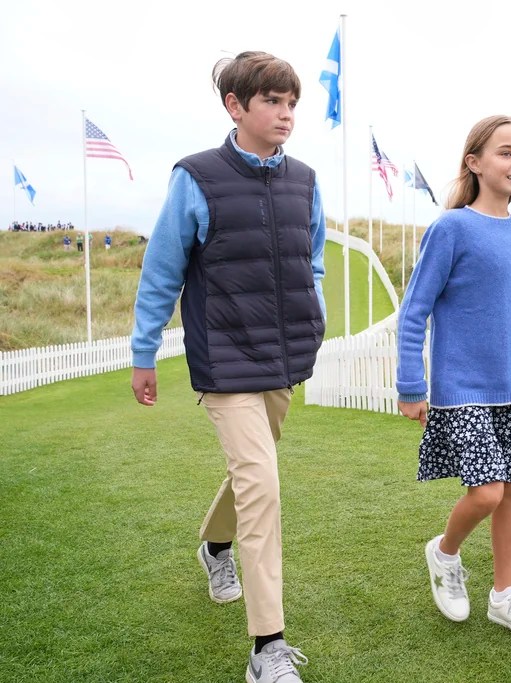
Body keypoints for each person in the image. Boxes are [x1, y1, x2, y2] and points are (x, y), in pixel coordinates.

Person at [130, 51, 326, 682]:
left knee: (253, 473)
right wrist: (143, 354)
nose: (285, 114)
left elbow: (312, 260)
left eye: (291, 103)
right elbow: (161, 272)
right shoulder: (195, 177)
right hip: (224, 360)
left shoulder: (306, 180)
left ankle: (214, 546)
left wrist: (313, 312)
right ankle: (267, 648)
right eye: (272, 101)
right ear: (235, 106)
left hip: (285, 359)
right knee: (263, 488)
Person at [396, 115, 511, 644]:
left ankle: (505, 598)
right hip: (459, 390)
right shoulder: (451, 228)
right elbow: (415, 310)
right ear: (475, 163)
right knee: (485, 493)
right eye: (506, 153)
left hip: (508, 388)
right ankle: (443, 554)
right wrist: (410, 386)